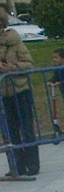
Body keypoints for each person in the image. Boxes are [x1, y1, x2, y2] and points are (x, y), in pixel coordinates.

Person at [0, 10, 38, 179]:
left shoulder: (14, 42)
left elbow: (29, 64)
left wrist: (13, 68)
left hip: (20, 90)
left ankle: (32, 164)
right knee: (10, 131)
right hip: (3, 95)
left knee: (26, 128)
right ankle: (17, 165)